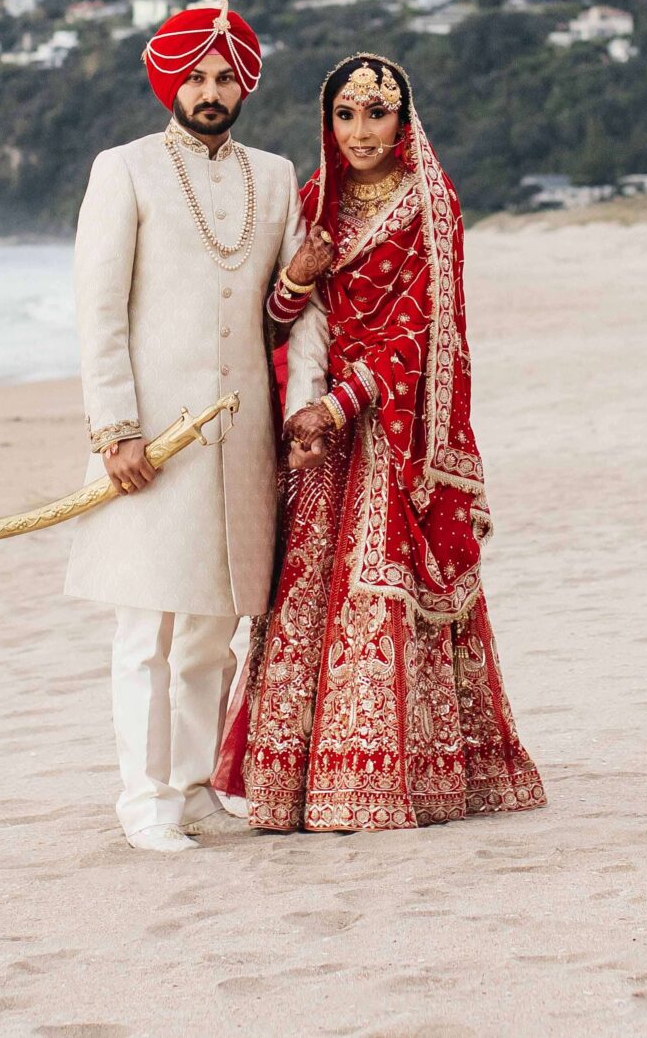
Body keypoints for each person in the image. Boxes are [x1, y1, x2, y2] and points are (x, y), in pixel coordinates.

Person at [216, 52, 547, 832]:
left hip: (389, 425)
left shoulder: (431, 204)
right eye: (346, 114)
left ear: (404, 121)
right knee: (302, 598)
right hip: (316, 428)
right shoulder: (313, 202)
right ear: (326, 122)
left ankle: (391, 781)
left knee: (384, 589)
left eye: (377, 112)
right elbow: (274, 319)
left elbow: (428, 330)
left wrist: (342, 404)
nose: (361, 129)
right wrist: (298, 277)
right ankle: (296, 786)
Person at [67, 0, 307, 853]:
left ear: (243, 85)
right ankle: (144, 802)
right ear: (171, 79)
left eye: (225, 76)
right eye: (197, 75)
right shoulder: (122, 169)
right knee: (146, 629)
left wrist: (300, 411)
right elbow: (98, 309)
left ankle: (197, 785)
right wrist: (114, 430)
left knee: (214, 630)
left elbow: (292, 309)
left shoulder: (276, 176)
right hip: (151, 443)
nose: (212, 89)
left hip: (242, 445)